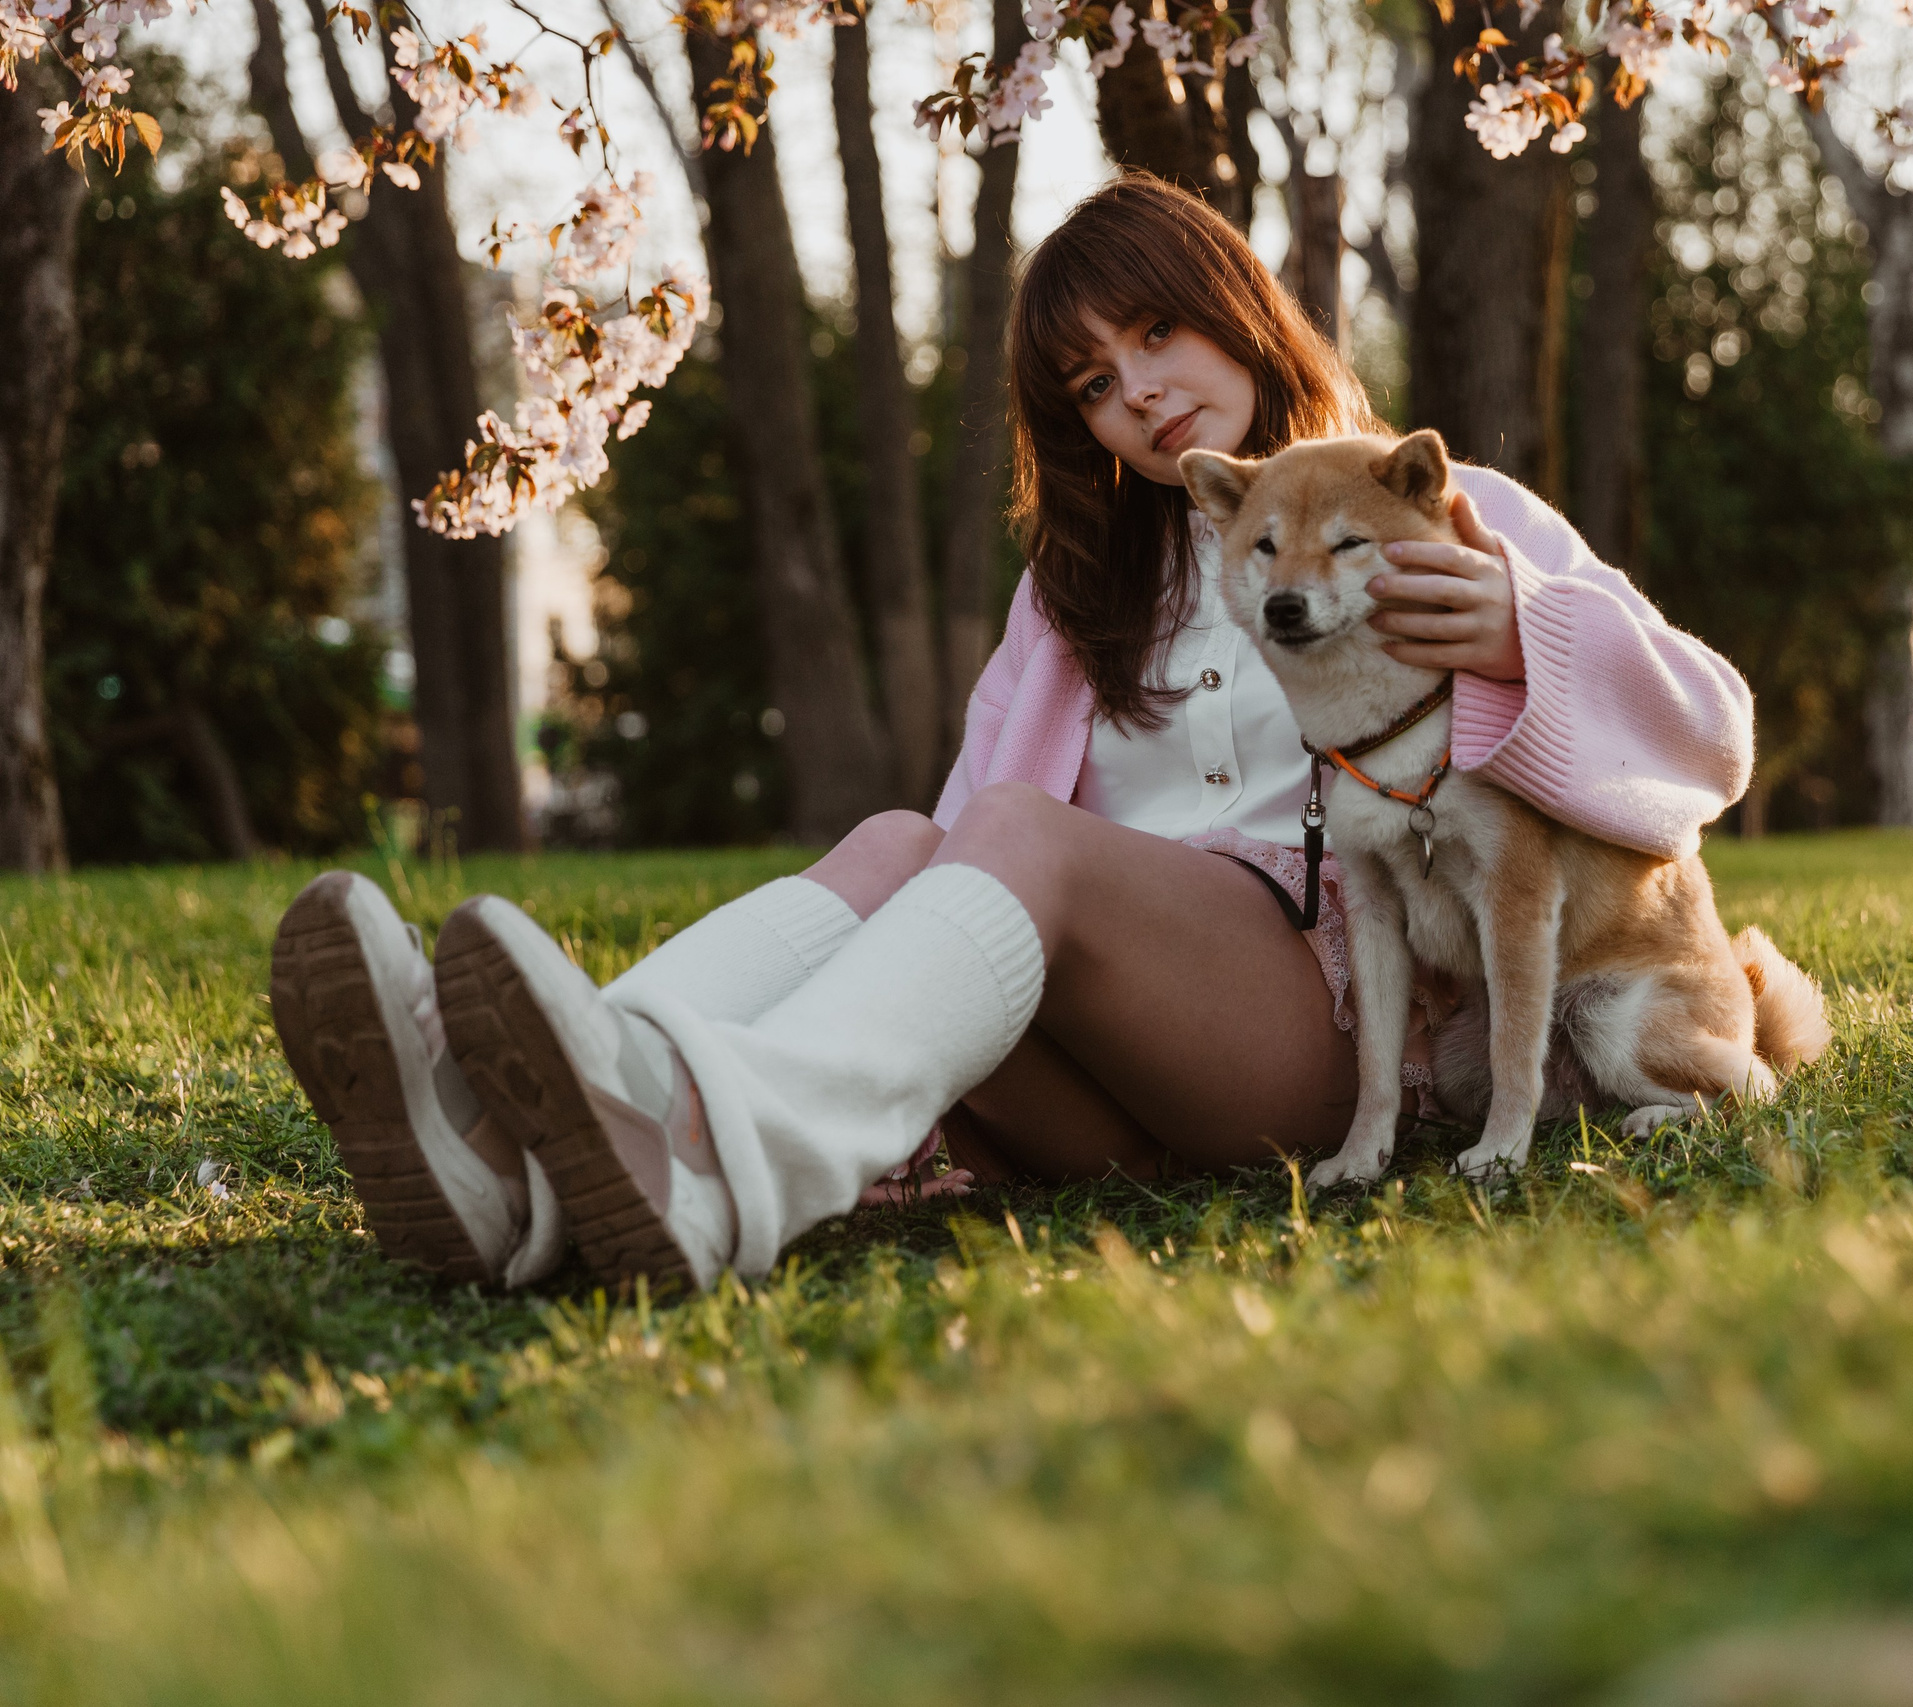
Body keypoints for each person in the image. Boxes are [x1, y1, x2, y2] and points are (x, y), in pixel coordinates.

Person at [266, 174, 1756, 1294]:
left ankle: (711, 1165)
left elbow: (1712, 733)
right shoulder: (1076, 602)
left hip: (1318, 1032)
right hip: (1099, 1076)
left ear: (1237, 307)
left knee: (1015, 839)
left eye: (1158, 333)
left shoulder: (1430, 513)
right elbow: (963, 859)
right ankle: (518, 1142)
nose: (1140, 392)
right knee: (898, 839)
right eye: (1094, 386)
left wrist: (1517, 635)